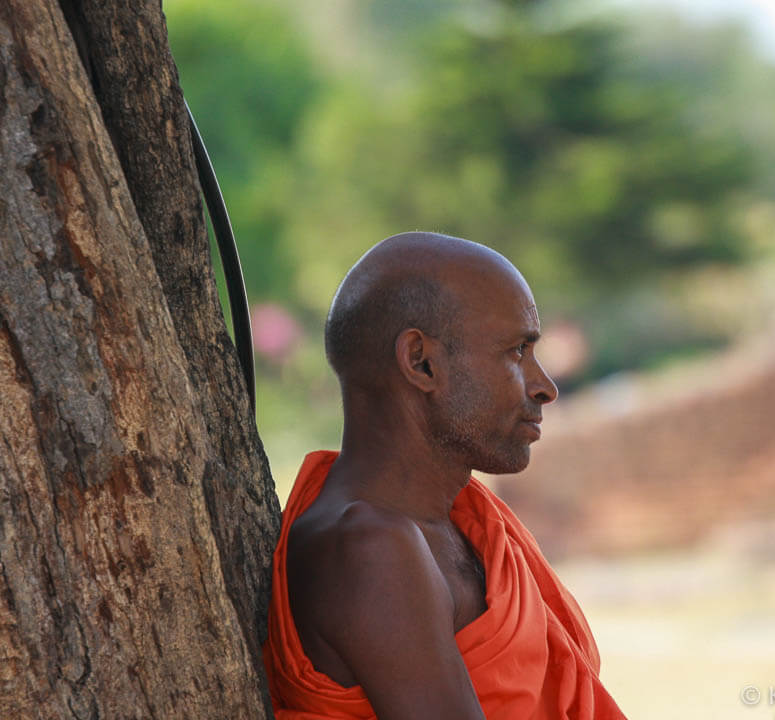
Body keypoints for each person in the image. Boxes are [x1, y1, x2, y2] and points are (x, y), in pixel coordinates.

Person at [263, 232, 627, 719]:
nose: (545, 387)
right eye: (517, 351)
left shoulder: (461, 521)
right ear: (421, 362)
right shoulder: (368, 548)